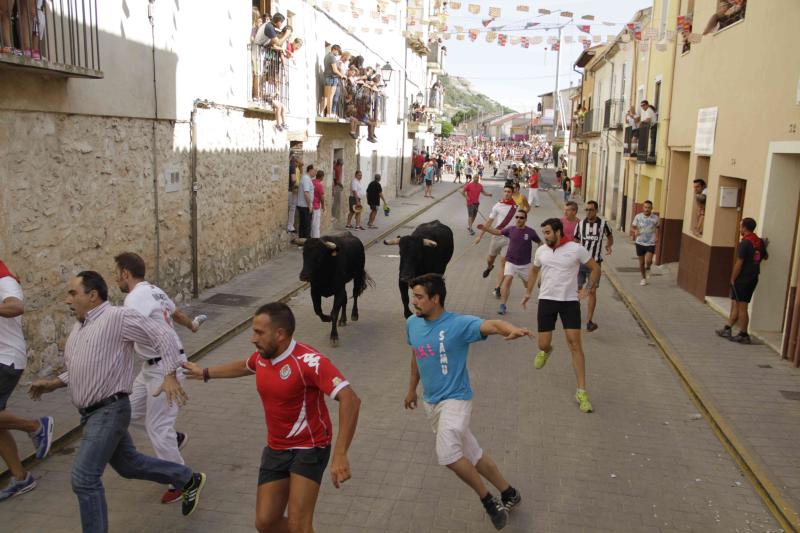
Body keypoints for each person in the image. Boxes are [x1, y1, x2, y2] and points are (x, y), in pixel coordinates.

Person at [29, 272, 206, 531]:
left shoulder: (117, 317)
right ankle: (187, 478)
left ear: (92, 296)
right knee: (129, 465)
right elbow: (86, 366)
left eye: (72, 293)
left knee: (84, 478)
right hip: (91, 414)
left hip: (109, 410)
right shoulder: (81, 327)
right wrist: (54, 383)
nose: (67, 300)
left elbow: (163, 336)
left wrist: (169, 374)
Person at [182, 303, 360, 533]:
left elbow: (351, 400)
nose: (253, 339)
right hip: (276, 447)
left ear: (280, 334)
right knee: (265, 522)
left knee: (298, 525)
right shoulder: (263, 357)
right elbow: (245, 366)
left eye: (259, 332)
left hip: (309, 447)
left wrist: (340, 454)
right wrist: (205, 373)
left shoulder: (309, 361)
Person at [404, 274, 528, 530]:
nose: (413, 302)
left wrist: (511, 329)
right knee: (472, 454)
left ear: (435, 299)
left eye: (419, 297)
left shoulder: (458, 324)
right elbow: (416, 355)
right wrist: (410, 389)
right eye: (413, 296)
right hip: (432, 403)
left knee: (449, 454)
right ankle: (509, 492)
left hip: (456, 399)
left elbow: (492, 325)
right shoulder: (412, 324)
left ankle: (488, 501)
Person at [114, 253, 201, 504]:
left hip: (166, 367)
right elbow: (177, 313)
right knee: (126, 411)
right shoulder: (154, 291)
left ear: (125, 273)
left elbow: (127, 331)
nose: (115, 277)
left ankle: (183, 480)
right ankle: (174, 439)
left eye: (116, 272)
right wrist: (192, 326)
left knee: (158, 427)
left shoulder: (134, 299)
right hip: (150, 368)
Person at [522, 218, 601, 413]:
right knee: (542, 343)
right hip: (547, 300)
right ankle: (547, 350)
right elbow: (534, 270)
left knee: (575, 344)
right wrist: (528, 292)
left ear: (558, 232)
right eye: (544, 233)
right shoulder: (541, 251)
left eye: (548, 232)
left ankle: (582, 391)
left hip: (569, 302)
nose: (545, 236)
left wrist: (588, 289)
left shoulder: (576, 249)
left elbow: (595, 268)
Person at [0, 259, 54, 501]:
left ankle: (36, 426)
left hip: (6, 358)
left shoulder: (5, 281)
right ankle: (21, 478)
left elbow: (16, 306)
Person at [477, 210, 541, 315]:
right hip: (511, 262)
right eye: (517, 217)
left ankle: (541, 294)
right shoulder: (510, 229)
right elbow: (497, 232)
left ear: (525, 219)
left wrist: (542, 253)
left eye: (521, 217)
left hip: (524, 265)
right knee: (507, 280)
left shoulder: (530, 232)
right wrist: (485, 229)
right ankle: (502, 305)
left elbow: (540, 242)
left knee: (527, 285)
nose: (518, 219)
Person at [716, 218, 768, 344]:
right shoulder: (759, 241)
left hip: (743, 278)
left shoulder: (745, 243)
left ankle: (744, 334)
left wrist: (733, 278)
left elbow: (739, 263)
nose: (740, 228)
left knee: (742, 307)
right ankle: (727, 329)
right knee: (736, 303)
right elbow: (765, 256)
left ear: (744, 228)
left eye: (741, 226)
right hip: (753, 277)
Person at [574, 201, 613, 332]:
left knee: (591, 291)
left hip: (595, 264)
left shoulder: (603, 224)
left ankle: (589, 321)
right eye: (587, 210)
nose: (588, 212)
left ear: (596, 210)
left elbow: (610, 236)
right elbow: (575, 241)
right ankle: (574, 316)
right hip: (580, 263)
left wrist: (608, 245)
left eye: (591, 210)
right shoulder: (580, 224)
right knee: (577, 289)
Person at [475, 184, 518, 300]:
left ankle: (497, 288)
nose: (507, 193)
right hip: (496, 236)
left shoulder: (516, 208)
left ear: (512, 193)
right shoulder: (497, 206)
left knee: (503, 262)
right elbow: (489, 222)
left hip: (509, 239)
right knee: (490, 259)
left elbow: (520, 223)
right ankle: (489, 267)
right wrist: (480, 236)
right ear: (503, 192)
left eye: (509, 191)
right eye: (505, 191)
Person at [631, 200, 660, 286]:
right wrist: (635, 231)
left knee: (648, 261)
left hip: (650, 242)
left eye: (648, 208)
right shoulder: (638, 217)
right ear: (643, 207)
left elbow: (658, 228)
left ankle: (648, 268)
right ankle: (643, 278)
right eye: (645, 207)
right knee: (641, 263)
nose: (647, 209)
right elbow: (632, 227)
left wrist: (657, 236)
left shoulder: (655, 218)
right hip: (639, 242)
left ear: (651, 208)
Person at [322, 44, 342, 117]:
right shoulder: (332, 57)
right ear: (334, 49)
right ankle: (329, 114)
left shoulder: (326, 56)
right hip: (332, 78)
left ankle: (320, 112)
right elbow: (335, 70)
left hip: (326, 77)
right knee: (330, 97)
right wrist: (342, 75)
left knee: (326, 97)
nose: (337, 54)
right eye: (337, 52)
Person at [296, 165, 315, 239]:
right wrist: (310, 205)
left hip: (304, 205)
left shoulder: (306, 178)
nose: (315, 172)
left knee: (303, 225)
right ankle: (306, 243)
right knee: (306, 226)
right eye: (314, 170)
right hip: (305, 206)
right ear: (310, 170)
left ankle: (302, 242)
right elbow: (306, 193)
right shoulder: (306, 179)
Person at [311, 170, 326, 238]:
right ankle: (316, 238)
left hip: (310, 205)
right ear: (322, 176)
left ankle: (311, 237)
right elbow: (322, 197)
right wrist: (323, 205)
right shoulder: (319, 185)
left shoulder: (311, 182)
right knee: (316, 224)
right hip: (316, 206)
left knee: (311, 223)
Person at [332, 158, 343, 223]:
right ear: (340, 163)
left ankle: (334, 216)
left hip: (336, 185)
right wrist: (341, 185)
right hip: (336, 186)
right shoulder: (338, 168)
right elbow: (337, 180)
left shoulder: (337, 167)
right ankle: (334, 216)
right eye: (342, 162)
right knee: (336, 201)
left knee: (336, 201)